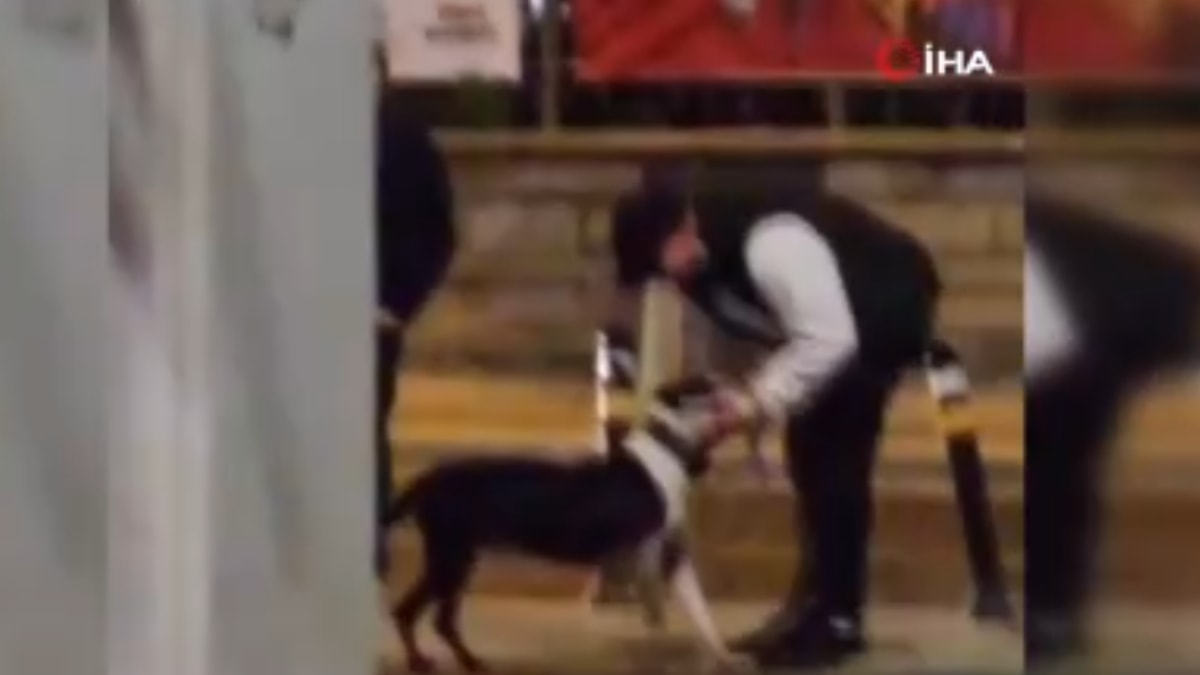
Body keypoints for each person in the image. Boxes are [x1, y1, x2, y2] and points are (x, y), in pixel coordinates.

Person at [609, 164, 940, 669]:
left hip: (883, 299)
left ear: (681, 230)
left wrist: (757, 401)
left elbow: (829, 339)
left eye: (659, 264)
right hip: (829, 323)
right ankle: (812, 607)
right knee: (808, 451)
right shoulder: (697, 264)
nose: (663, 279)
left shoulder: (771, 242)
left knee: (836, 453)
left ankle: (838, 619)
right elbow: (749, 334)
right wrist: (748, 406)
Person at [1024, 195, 1200, 668]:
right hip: (1081, 346)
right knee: (1059, 480)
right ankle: (1051, 614)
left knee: (1061, 480)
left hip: (1094, 347)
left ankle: (1052, 614)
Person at [374, 83, 457, 580]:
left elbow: (436, 232)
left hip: (370, 317)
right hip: (295, 312)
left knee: (363, 434)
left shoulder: (403, 139)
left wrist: (396, 305)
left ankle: (367, 555)